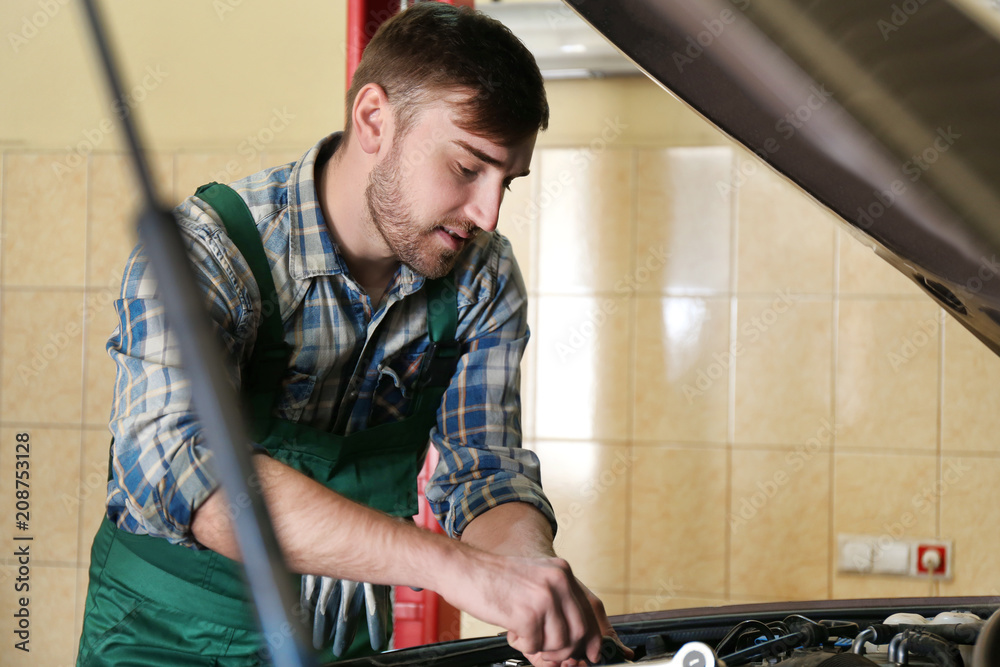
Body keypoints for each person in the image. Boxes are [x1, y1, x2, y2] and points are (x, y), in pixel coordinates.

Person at [77, 4, 628, 666]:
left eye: (506, 181)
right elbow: (189, 475)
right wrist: (458, 570)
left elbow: (483, 469)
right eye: (467, 167)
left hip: (339, 645)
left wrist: (529, 580)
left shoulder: (482, 277)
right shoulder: (211, 253)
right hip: (163, 637)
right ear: (373, 120)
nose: (489, 212)